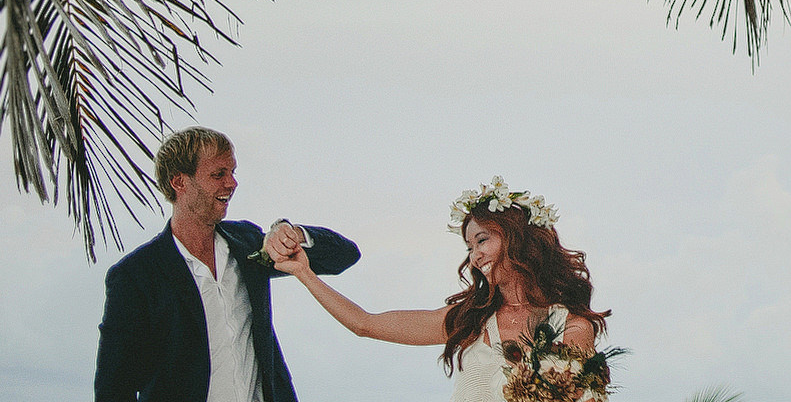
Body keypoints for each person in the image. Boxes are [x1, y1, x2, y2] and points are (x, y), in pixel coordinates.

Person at [274, 177, 609, 402]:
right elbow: (366, 324)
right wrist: (305, 274)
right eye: (469, 247)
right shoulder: (469, 321)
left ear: (517, 238)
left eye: (482, 240)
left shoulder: (571, 327)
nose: (475, 256)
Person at [95, 126, 362, 402]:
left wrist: (295, 235)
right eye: (218, 174)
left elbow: (345, 255)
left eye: (232, 172)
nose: (232, 183)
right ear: (179, 182)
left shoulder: (247, 243)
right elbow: (114, 388)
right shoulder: (135, 276)